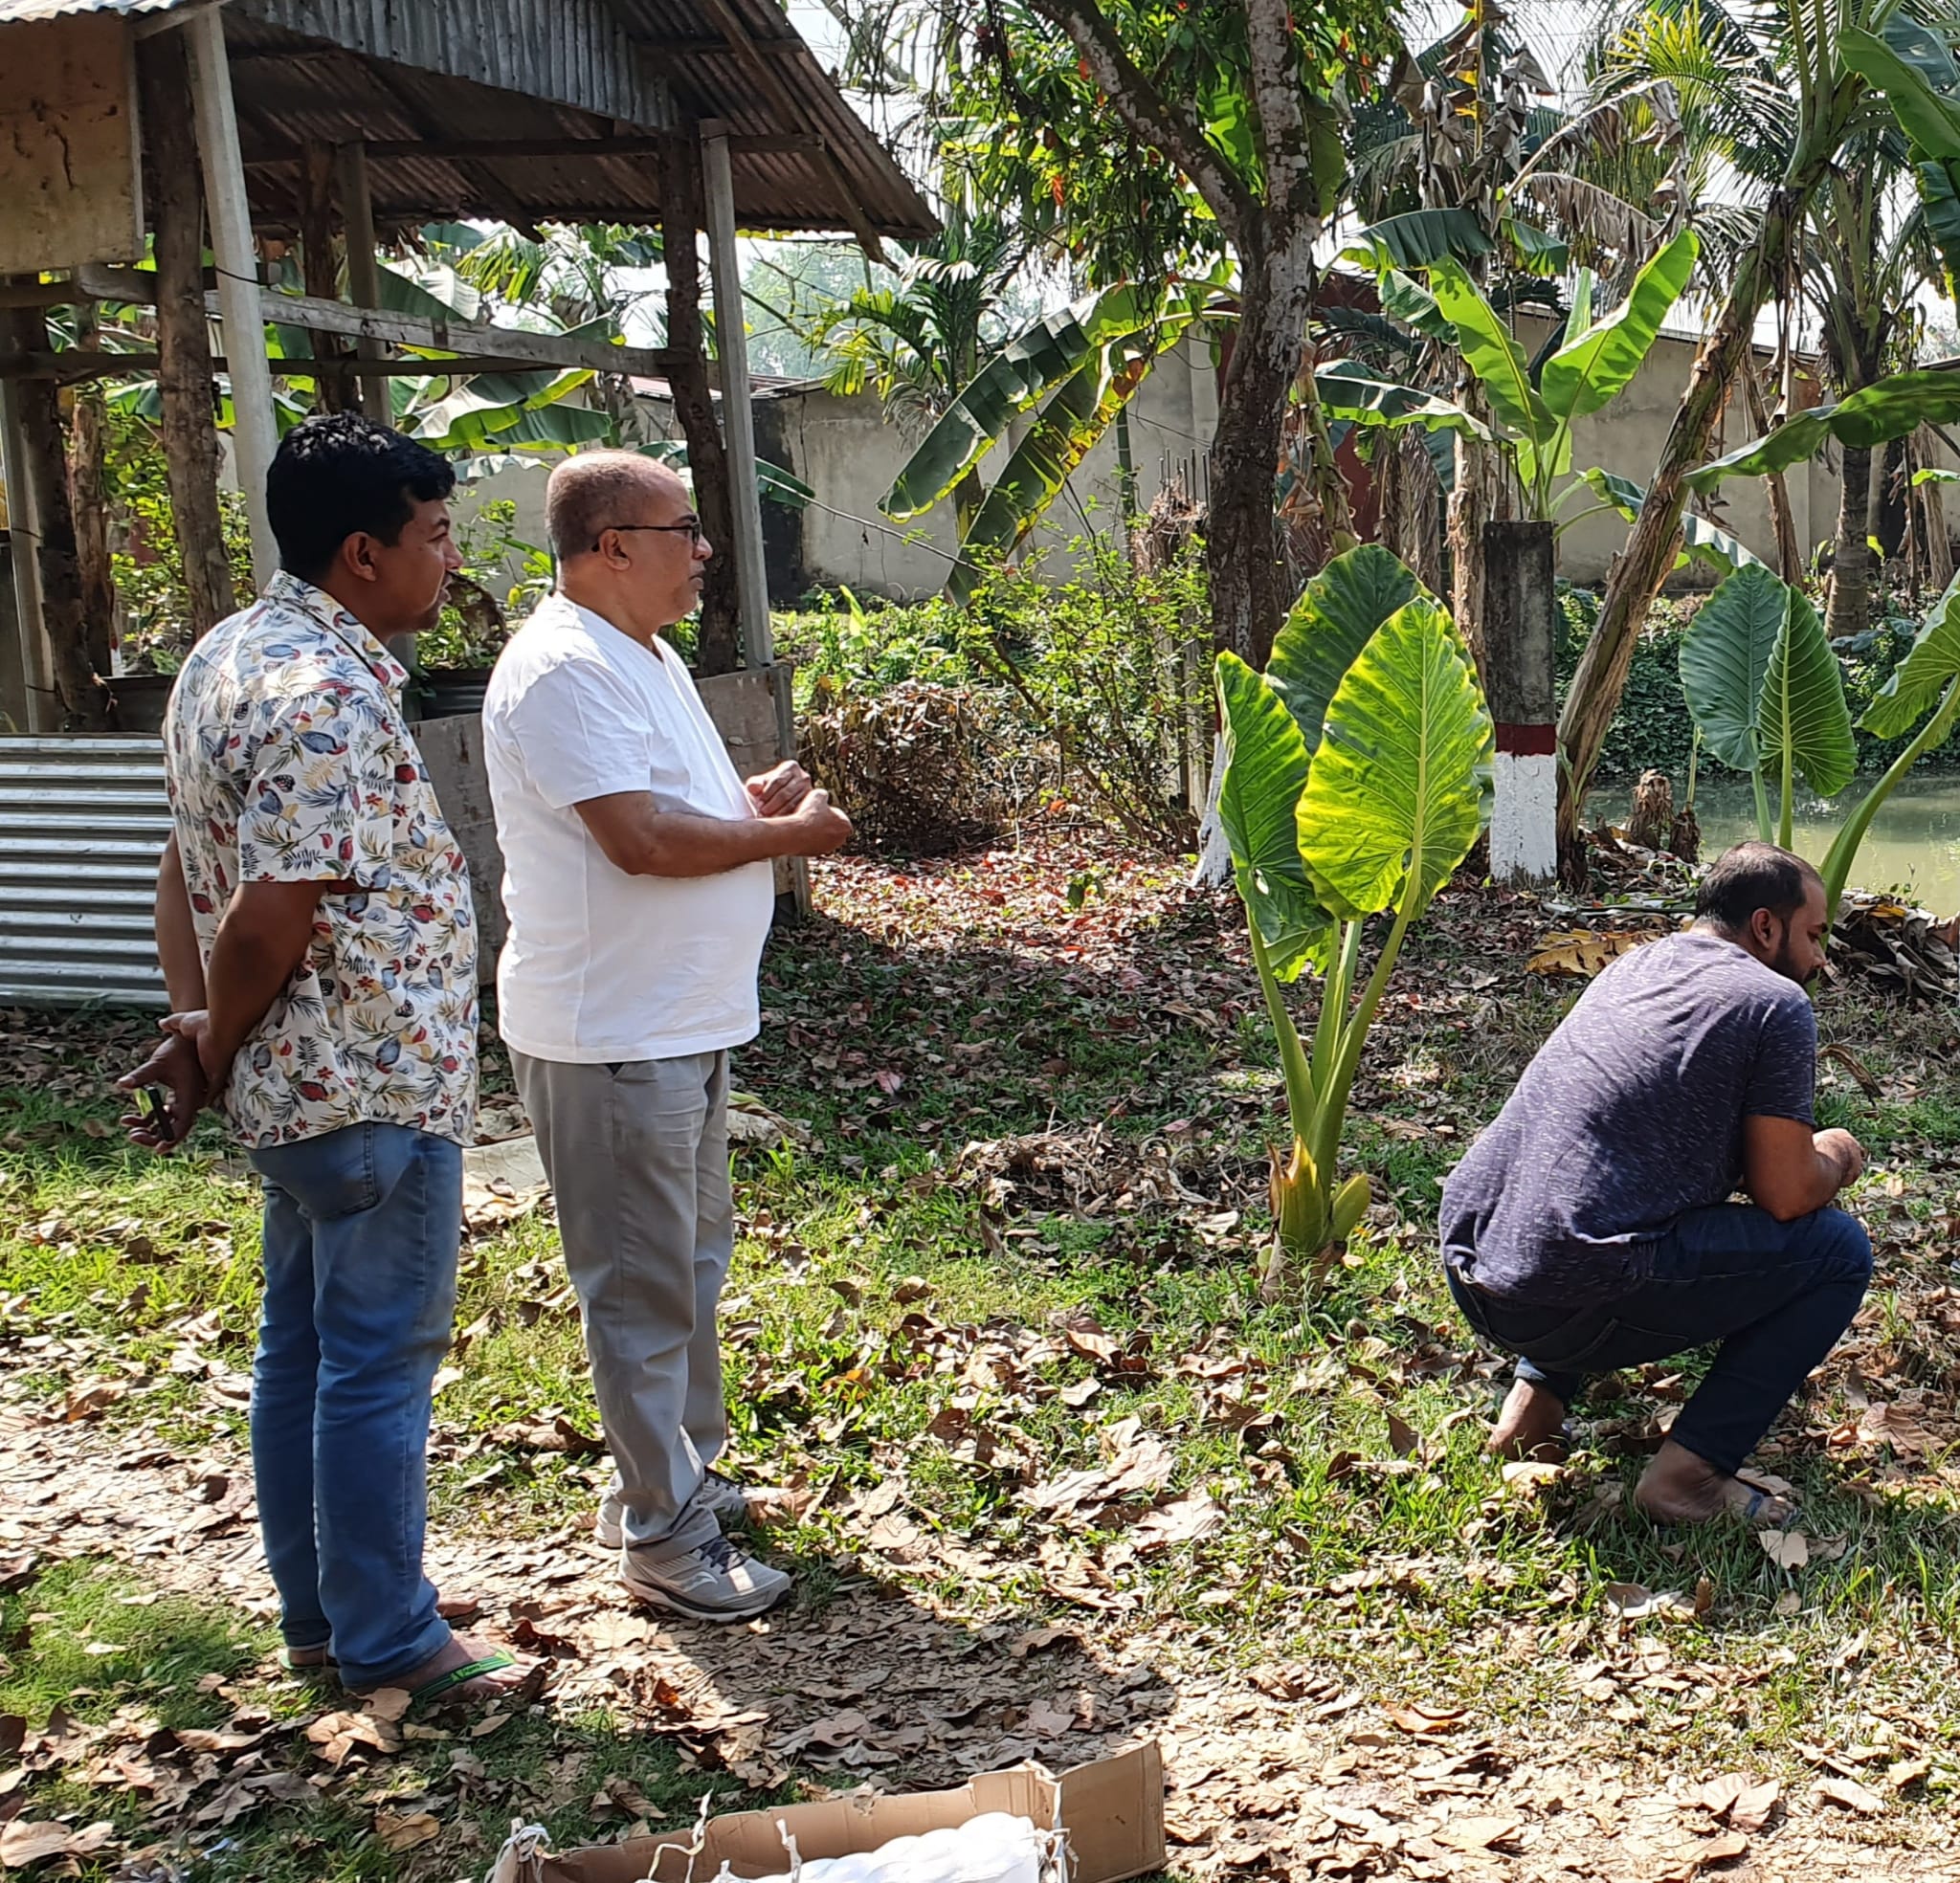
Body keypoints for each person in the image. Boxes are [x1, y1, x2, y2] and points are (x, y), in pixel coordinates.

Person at [119, 413, 523, 1705]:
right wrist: (214, 1032)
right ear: (363, 552)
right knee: (375, 1362)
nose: (448, 563)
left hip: (292, 1094)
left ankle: (321, 1616)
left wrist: (199, 1041)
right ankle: (392, 1639)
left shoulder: (224, 661)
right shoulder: (327, 694)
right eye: (435, 538)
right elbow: (270, 907)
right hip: (365, 1085)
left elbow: (187, 862)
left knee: (300, 1351)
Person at [482, 451, 852, 1621]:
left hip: (677, 1019)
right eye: (681, 529)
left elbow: (662, 808)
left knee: (685, 1269)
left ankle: (672, 1475)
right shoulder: (558, 670)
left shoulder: (639, 653)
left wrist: (742, 804)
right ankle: (661, 1535)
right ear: (608, 548)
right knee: (640, 1291)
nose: (701, 550)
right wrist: (789, 839)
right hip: (610, 1031)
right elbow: (637, 842)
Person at [1438, 841, 1871, 1525]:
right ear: (1766, 927)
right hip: (1565, 1296)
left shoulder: (1635, 965)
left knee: (1601, 1192)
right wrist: (1840, 1154)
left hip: (1474, 1266)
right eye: (1815, 935)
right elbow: (1786, 1193)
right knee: (1839, 1251)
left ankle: (1533, 1411)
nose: (1821, 959)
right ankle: (1688, 1477)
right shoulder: (1775, 1001)